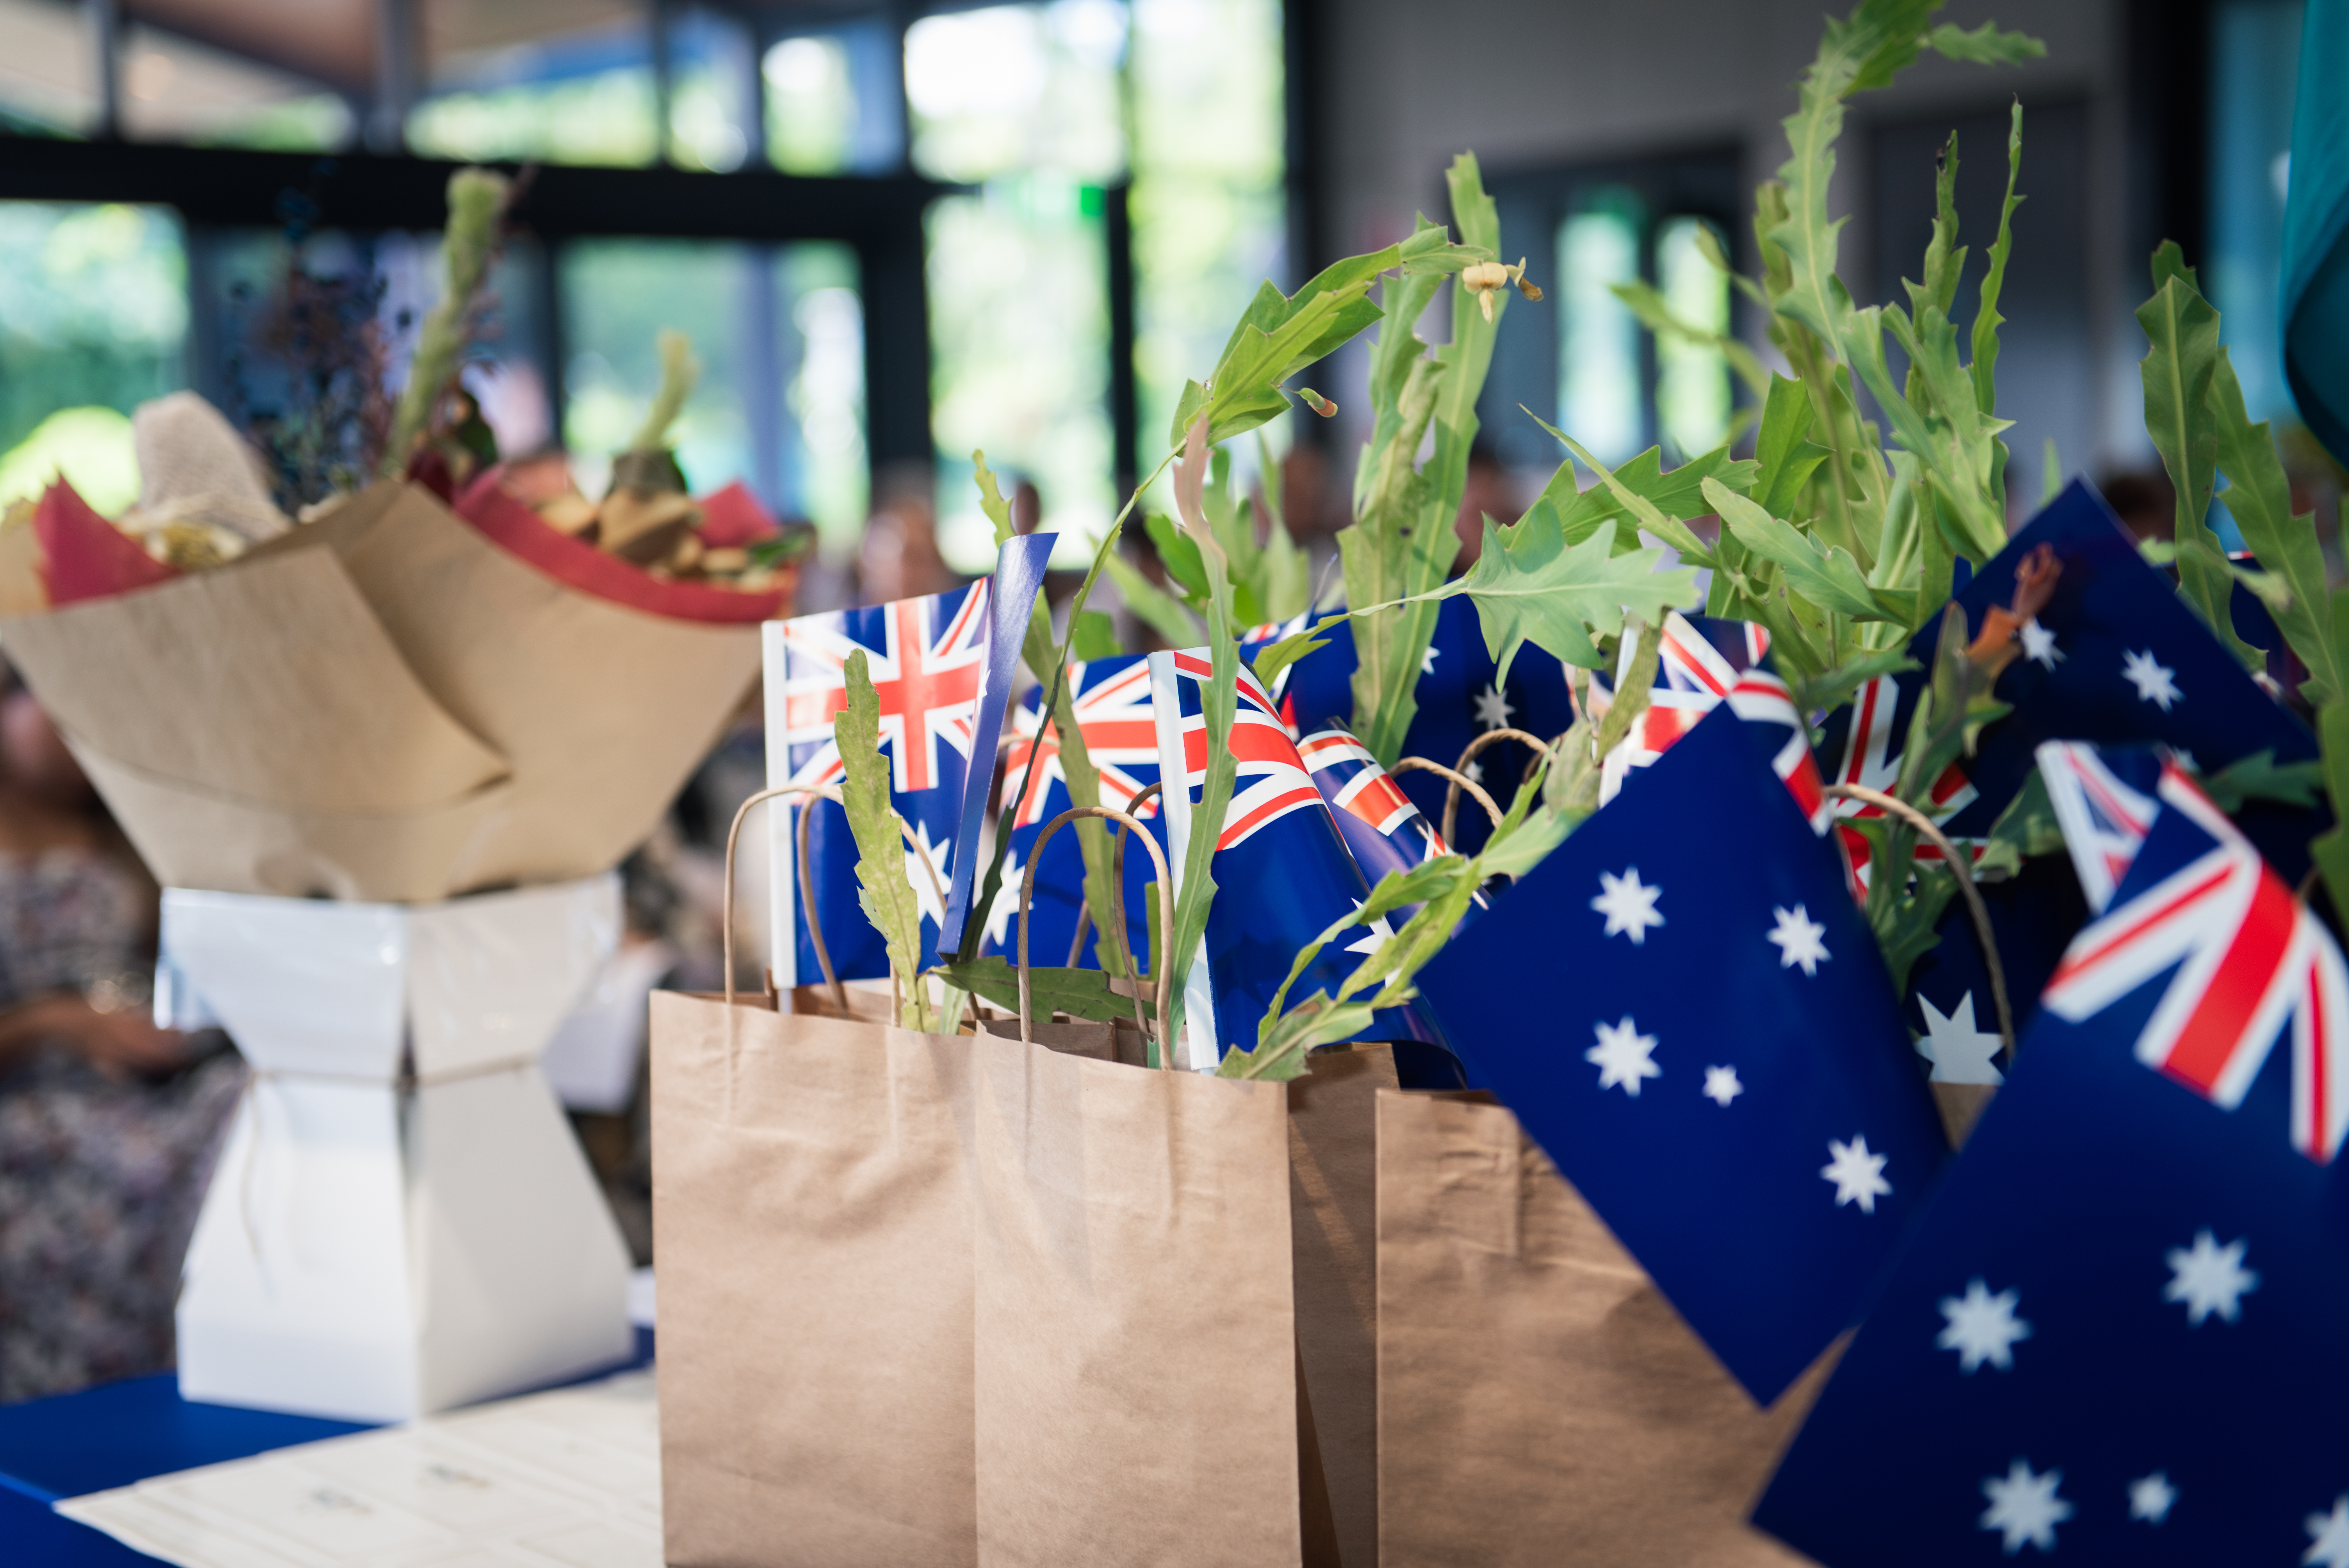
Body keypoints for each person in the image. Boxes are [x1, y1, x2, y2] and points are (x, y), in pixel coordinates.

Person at [0, 663, 242, 1403]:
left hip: (139, 1082)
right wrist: (52, 1025)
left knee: (255, 1102)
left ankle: (219, 1363)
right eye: (65, 714)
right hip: (31, 1099)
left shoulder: (122, 834)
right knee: (140, 1158)